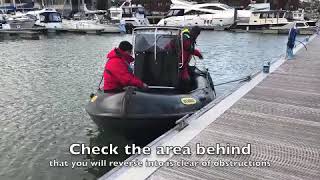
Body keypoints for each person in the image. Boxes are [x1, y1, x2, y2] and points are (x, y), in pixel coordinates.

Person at [179, 26, 203, 91]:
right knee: (186, 80)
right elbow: (189, 49)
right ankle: (185, 93)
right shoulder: (186, 39)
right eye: (197, 34)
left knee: (191, 75)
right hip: (181, 65)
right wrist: (199, 54)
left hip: (184, 64)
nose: (197, 36)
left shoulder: (186, 38)